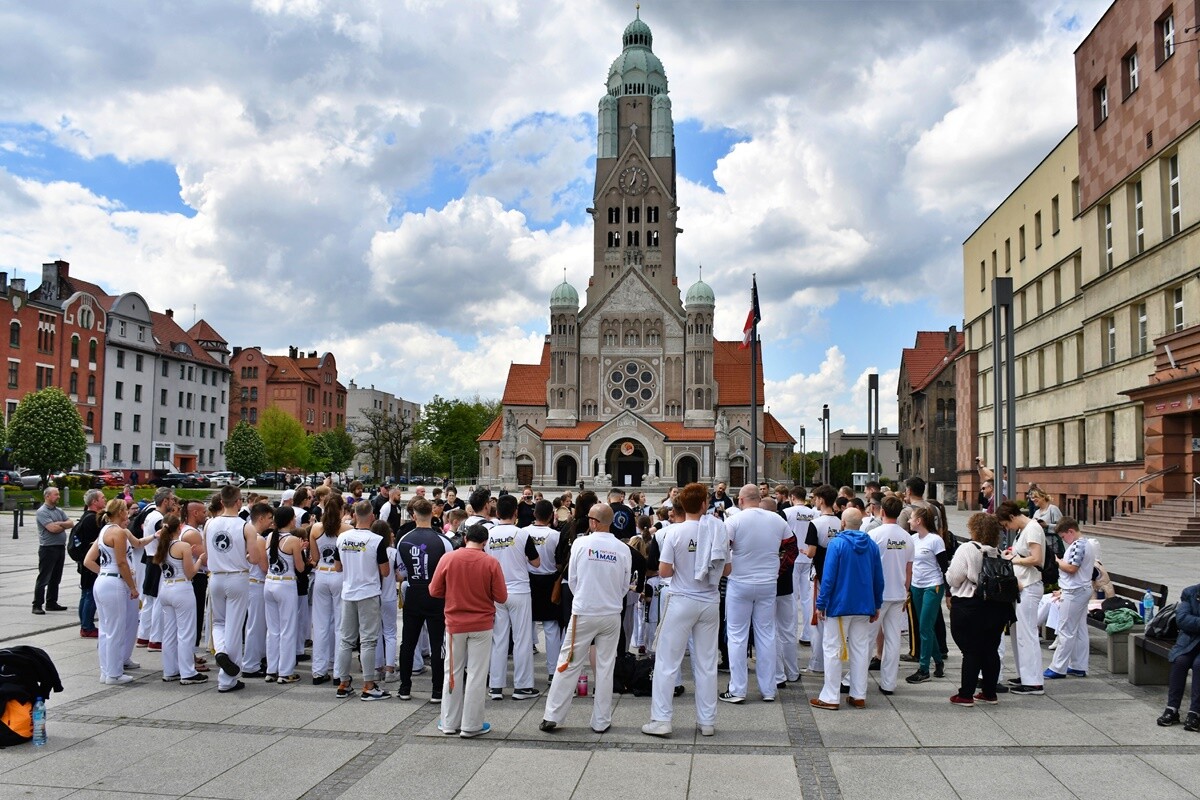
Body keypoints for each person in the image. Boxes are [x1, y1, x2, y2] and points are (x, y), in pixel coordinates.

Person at [642, 482, 730, 738]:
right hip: (709, 600)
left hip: (682, 598)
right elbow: (726, 569)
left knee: (668, 661)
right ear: (704, 505)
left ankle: (661, 719)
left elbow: (664, 571)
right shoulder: (717, 529)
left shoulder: (675, 533)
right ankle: (707, 721)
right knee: (706, 663)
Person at [540, 503, 632, 734]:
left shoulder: (581, 544)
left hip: (585, 611)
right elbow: (624, 585)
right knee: (605, 667)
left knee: (569, 662)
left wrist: (585, 596)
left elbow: (573, 580)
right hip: (611, 613)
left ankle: (553, 715)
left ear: (592, 522)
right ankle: (601, 720)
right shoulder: (622, 549)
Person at [720, 485, 796, 703]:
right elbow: (791, 549)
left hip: (740, 582)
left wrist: (727, 570)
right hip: (767, 583)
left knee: (737, 635)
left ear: (741, 500)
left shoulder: (733, 521)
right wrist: (778, 570)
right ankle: (768, 689)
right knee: (766, 634)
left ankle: (738, 689)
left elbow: (723, 548)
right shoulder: (777, 520)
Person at [430, 522, 507, 738]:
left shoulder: (449, 558)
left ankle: (448, 722)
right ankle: (471, 724)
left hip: (455, 623)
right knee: (477, 674)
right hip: (482, 624)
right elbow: (501, 597)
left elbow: (434, 590)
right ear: (485, 542)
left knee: (452, 673)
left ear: (465, 538)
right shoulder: (491, 562)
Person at [810, 507, 883, 711]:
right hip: (864, 604)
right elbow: (878, 578)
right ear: (860, 524)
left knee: (833, 649)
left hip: (840, 605)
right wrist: (876, 603)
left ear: (842, 523)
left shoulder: (837, 543)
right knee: (860, 650)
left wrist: (821, 603)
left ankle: (831, 696)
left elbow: (829, 577)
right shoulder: (871, 545)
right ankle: (858, 694)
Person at [946, 512, 1013, 706]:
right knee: (990, 650)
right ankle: (989, 692)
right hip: (996, 607)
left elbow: (954, 577)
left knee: (971, 651)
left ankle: (965, 694)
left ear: (974, 529)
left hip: (969, 605)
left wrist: (948, 575)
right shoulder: (997, 552)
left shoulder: (968, 548)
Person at [205, 486, 268, 694]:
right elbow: (255, 558)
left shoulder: (209, 524)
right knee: (234, 624)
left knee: (219, 622)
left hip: (216, 576)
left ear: (221, 502)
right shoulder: (245, 527)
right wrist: (243, 556)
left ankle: (221, 651)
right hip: (238, 577)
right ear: (239, 502)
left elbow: (207, 553)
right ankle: (227, 678)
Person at [395, 497, 454, 702]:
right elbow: (450, 570)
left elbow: (400, 573)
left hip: (414, 591)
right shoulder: (443, 540)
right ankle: (437, 690)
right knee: (438, 642)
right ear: (433, 514)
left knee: (408, 642)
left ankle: (404, 687)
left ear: (413, 516)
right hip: (436, 594)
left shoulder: (404, 539)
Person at [485, 493, 542, 700]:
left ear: (497, 512)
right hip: (519, 590)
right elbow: (536, 562)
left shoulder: (489, 534)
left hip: (497, 591)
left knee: (498, 639)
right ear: (515, 513)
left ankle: (496, 686)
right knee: (522, 639)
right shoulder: (522, 534)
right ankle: (522, 686)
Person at [333, 500, 391, 700]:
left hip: (348, 592)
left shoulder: (342, 538)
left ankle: (343, 682)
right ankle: (368, 684)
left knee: (346, 640)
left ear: (355, 515)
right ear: (372, 516)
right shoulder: (376, 540)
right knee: (368, 640)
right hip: (368, 593)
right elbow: (385, 570)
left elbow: (337, 567)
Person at [83, 499, 143, 684]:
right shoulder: (118, 532)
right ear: (121, 512)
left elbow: (88, 560)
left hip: (103, 581)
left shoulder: (104, 530)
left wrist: (105, 572)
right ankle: (114, 673)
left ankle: (106, 670)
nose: (128, 513)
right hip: (114, 582)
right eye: (125, 510)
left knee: (106, 630)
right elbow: (122, 561)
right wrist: (132, 586)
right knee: (116, 630)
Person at [995, 501, 1046, 696]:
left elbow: (1036, 558)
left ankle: (1033, 682)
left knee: (1027, 634)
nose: (1006, 528)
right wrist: (1014, 553)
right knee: (1018, 634)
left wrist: (1013, 559)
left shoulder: (1032, 529)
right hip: (1022, 586)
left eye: (1006, 524)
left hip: (1029, 585)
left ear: (1011, 517)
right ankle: (1025, 674)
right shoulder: (1024, 529)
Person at [153, 513, 207, 685]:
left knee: (169, 632)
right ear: (179, 528)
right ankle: (187, 672)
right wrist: (199, 559)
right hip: (181, 588)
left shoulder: (161, 545)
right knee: (185, 632)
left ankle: (170, 670)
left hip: (166, 587)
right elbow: (190, 574)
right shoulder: (182, 545)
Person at [869, 496, 913, 696]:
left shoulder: (874, 534)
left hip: (878, 593)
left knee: (867, 638)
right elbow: (909, 569)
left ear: (881, 511)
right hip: (898, 592)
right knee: (893, 639)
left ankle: (854, 679)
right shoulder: (907, 537)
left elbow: (868, 567)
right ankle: (889, 683)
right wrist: (907, 591)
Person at [1042, 517, 1095, 680]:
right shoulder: (1087, 543)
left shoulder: (1078, 544)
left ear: (1071, 531)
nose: (1063, 540)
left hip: (1074, 590)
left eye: (1064, 536)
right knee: (1079, 629)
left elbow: (1072, 568)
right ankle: (1078, 665)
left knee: (1066, 629)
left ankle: (1058, 668)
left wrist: (1057, 562)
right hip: (1081, 589)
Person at [309, 494, 349, 685]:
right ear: (341, 510)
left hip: (322, 573)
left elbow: (314, 557)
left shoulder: (316, 528)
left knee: (321, 624)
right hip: (339, 575)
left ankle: (318, 670)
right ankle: (338, 671)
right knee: (340, 625)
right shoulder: (347, 530)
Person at [264, 507, 305, 683]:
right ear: (289, 520)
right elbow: (301, 567)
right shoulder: (293, 540)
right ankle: (285, 671)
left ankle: (271, 669)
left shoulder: (270, 537)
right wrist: (303, 551)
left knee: (273, 630)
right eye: (294, 517)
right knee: (288, 629)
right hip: (286, 583)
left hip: (269, 582)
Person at [905, 507, 946, 684]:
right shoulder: (912, 539)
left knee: (924, 626)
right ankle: (937, 661)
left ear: (919, 521)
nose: (908, 521)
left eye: (911, 518)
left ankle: (923, 668)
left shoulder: (935, 540)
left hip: (933, 586)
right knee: (926, 626)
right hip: (916, 586)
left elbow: (944, 567)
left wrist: (950, 592)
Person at [527, 500, 562, 683]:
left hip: (529, 580)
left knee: (525, 628)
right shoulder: (555, 535)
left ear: (534, 514)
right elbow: (559, 562)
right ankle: (552, 670)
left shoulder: (523, 532)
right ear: (551, 516)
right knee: (551, 628)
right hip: (549, 579)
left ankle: (524, 673)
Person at [1157, 582, 1200, 730]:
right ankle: (1172, 709)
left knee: (1198, 664)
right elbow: (1182, 619)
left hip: (1194, 638)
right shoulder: (1190, 592)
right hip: (1189, 642)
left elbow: (1189, 620)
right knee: (1180, 661)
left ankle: (1195, 713)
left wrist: (1194, 623)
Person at [33, 486, 75, 615]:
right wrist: (63, 524)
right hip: (48, 548)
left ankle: (51, 602)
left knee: (56, 577)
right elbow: (52, 529)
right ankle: (37, 604)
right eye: (56, 494)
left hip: (59, 547)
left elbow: (71, 523)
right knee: (44, 577)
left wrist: (60, 523)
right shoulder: (42, 512)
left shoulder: (59, 510)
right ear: (47, 496)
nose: (58, 496)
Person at [71, 489, 106, 638]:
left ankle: (85, 625)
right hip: (91, 562)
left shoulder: (86, 517)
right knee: (90, 594)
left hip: (84, 561)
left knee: (86, 593)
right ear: (94, 502)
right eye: (102, 498)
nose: (104, 500)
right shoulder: (93, 519)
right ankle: (87, 626)